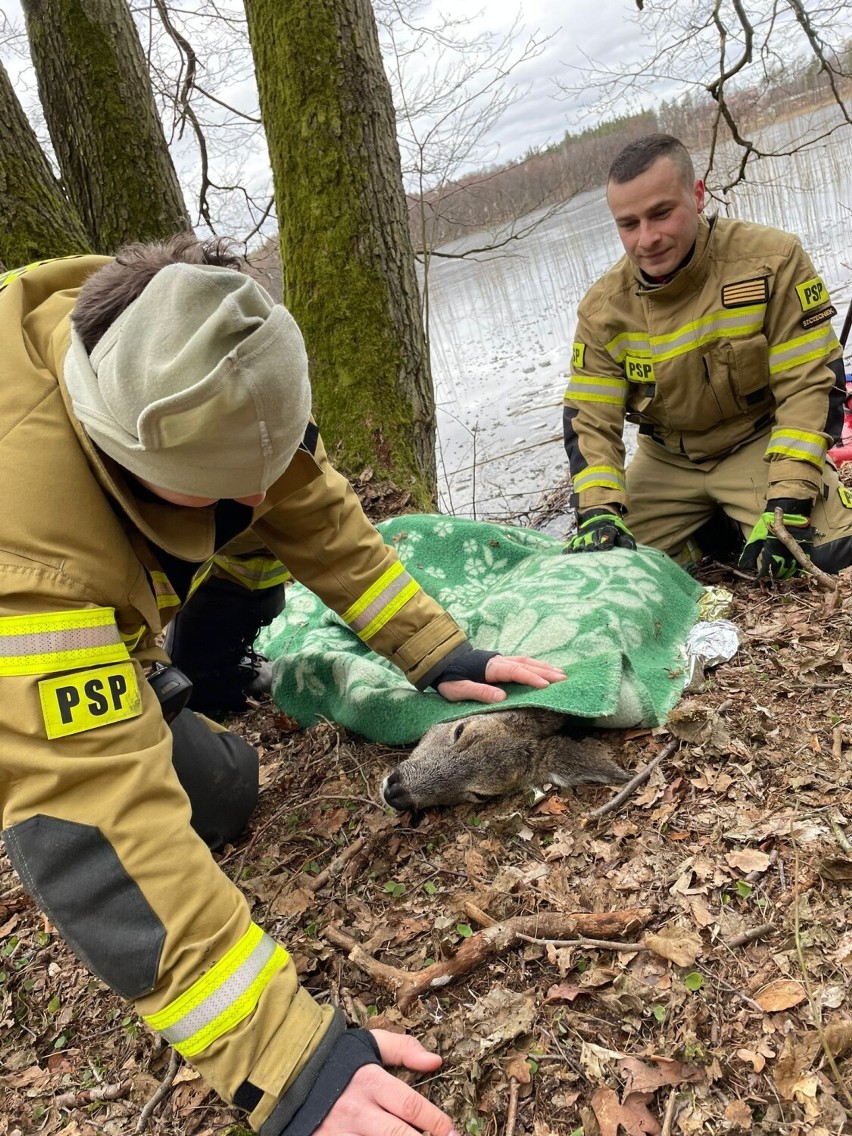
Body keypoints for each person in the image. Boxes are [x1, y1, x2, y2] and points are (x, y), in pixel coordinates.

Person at [0, 236, 567, 1136]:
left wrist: (438, 652)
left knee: (224, 793)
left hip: (105, 615)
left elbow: (310, 507)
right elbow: (92, 819)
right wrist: (292, 1064)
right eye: (223, 496)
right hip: (31, 638)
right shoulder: (34, 568)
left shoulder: (176, 334)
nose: (261, 508)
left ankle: (179, 679)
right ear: (126, 461)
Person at [562, 132, 852, 578]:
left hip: (758, 441)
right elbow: (590, 417)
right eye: (629, 223)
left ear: (697, 196)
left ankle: (737, 517)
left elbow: (810, 384)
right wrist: (598, 510)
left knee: (826, 552)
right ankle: (714, 530)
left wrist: (789, 499)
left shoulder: (773, 260)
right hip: (667, 462)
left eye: (661, 214)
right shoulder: (603, 309)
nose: (647, 239)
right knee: (604, 572)